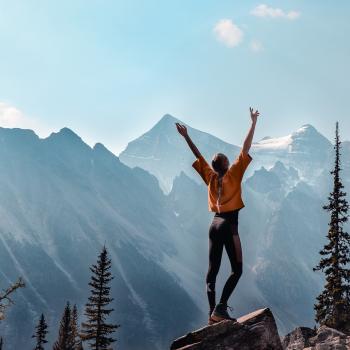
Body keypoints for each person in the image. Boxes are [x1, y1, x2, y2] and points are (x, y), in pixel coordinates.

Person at [175, 107, 259, 325]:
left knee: (212, 270)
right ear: (226, 164)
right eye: (226, 159)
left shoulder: (210, 178)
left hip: (214, 225)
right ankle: (221, 308)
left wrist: (186, 137)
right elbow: (246, 146)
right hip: (229, 225)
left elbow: (198, 155)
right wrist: (253, 123)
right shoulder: (234, 174)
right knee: (237, 269)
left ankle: (212, 314)